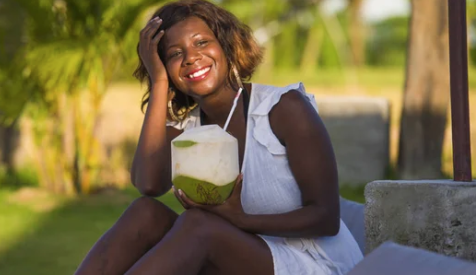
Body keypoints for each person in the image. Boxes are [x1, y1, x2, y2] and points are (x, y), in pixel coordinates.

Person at [74, 0, 363, 274]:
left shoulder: (282, 109)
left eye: (201, 43)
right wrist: (159, 82)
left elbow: (325, 218)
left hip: (316, 263)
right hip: (242, 256)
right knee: (145, 213)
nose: (191, 58)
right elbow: (149, 185)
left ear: (225, 45)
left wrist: (240, 220)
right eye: (174, 54)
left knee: (199, 226)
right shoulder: (186, 129)